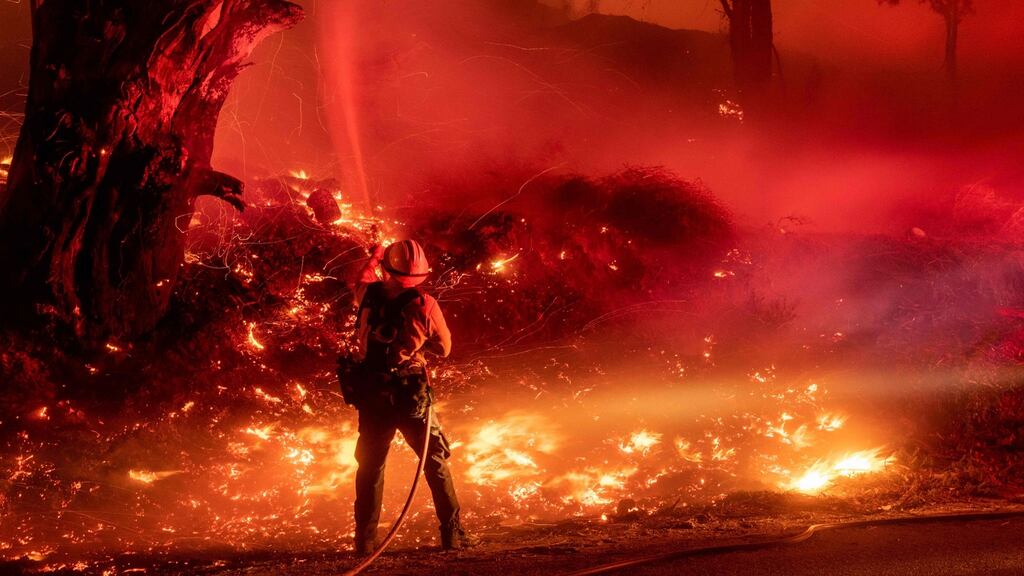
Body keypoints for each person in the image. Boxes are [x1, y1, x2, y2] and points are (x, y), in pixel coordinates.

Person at [344, 239, 478, 554]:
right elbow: (444, 348)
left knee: (370, 466)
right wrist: (420, 346)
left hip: (372, 394)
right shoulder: (424, 304)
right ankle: (452, 535)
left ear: (387, 269)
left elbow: (363, 277)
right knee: (434, 461)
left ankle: (364, 542)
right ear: (421, 275)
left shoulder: (368, 294)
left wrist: (376, 254)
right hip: (409, 396)